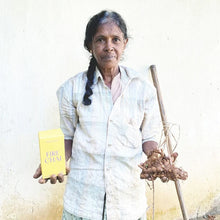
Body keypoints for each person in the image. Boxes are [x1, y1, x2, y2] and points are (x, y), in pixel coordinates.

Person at [33, 10, 160, 220]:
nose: (109, 46)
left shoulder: (143, 89)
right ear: (90, 46)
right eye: (100, 39)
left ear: (125, 44)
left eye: (115, 39)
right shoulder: (71, 89)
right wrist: (53, 164)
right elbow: (67, 136)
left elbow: (148, 137)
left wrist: (156, 160)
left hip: (127, 203)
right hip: (83, 203)